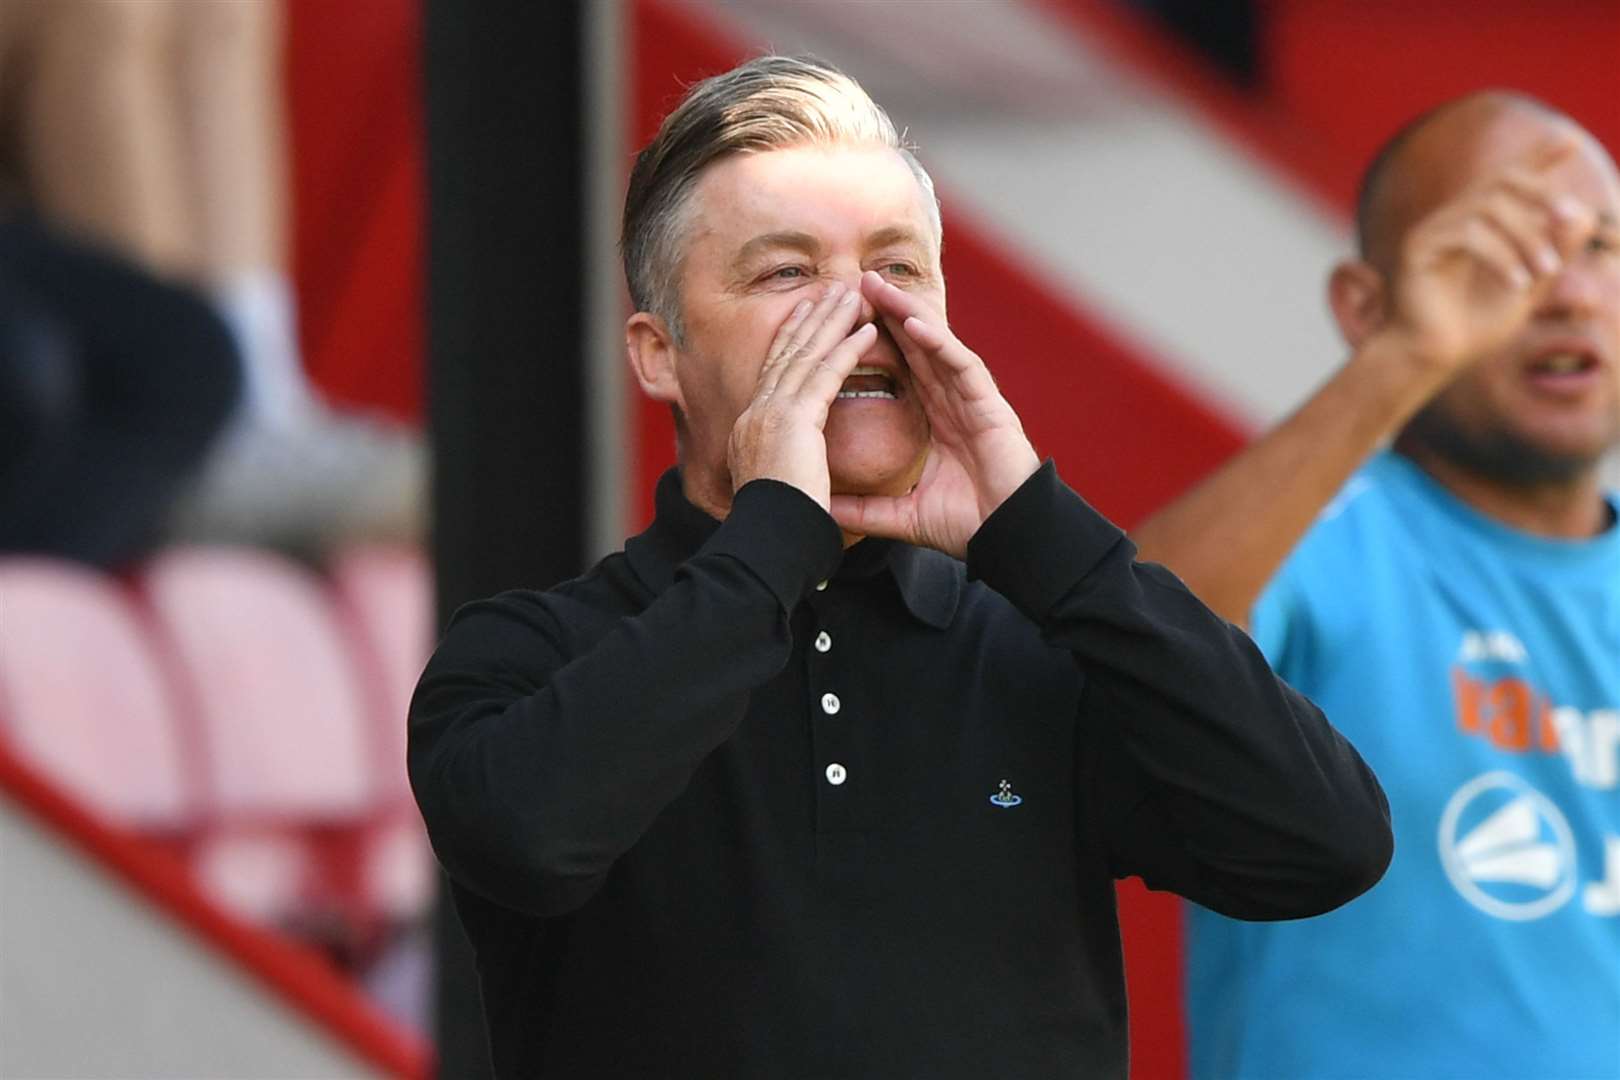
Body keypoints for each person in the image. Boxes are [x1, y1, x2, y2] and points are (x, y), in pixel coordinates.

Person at [408, 55, 1391, 1078]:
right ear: (660, 354)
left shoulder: (1043, 649)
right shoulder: (529, 654)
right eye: (788, 272)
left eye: (899, 268)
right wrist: (775, 535)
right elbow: (526, 839)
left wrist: (1042, 534)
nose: (859, 311)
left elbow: (1325, 845)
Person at [1131, 91, 1620, 1079]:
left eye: (1600, 246)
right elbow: (1119, 644)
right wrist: (1406, 360)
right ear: (1365, 305)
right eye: (1502, 250)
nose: (1565, 292)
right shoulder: (1318, 541)